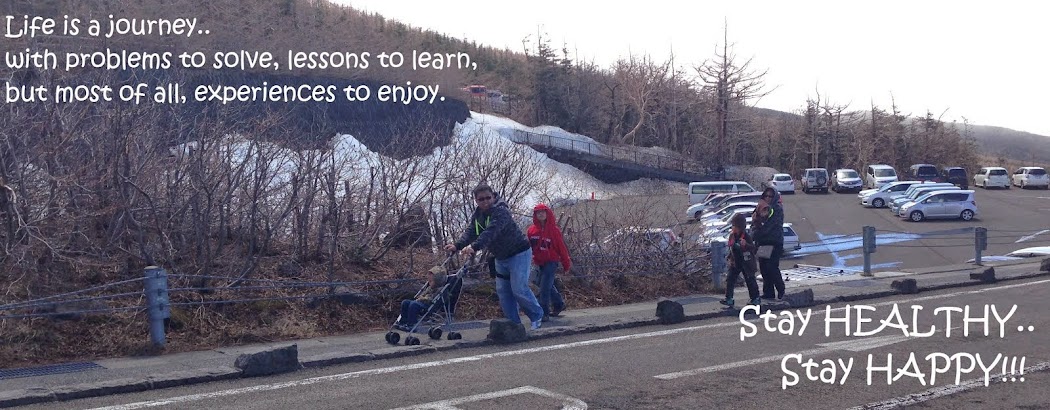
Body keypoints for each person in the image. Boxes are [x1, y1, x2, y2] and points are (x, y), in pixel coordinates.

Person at [445, 184, 544, 330]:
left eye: (488, 198)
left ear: (493, 196)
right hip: (500, 257)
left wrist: (474, 247)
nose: (485, 201)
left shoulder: (501, 211)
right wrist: (458, 245)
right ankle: (513, 323)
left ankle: (537, 315)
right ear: (476, 201)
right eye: (481, 199)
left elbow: (491, 232)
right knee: (503, 291)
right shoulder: (478, 214)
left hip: (518, 253)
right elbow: (472, 231)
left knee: (519, 288)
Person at [527, 203, 570, 321]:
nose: (540, 214)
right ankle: (559, 304)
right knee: (548, 285)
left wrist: (566, 263)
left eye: (543, 212)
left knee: (544, 287)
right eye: (538, 212)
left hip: (551, 261)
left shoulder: (554, 230)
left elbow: (561, 248)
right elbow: (528, 246)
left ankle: (544, 312)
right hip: (538, 261)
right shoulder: (531, 230)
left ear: (547, 213)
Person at [720, 213, 761, 308]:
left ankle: (755, 298)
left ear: (739, 227)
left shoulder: (746, 236)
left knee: (750, 280)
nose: (732, 227)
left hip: (746, 262)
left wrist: (746, 244)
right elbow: (731, 248)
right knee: (730, 279)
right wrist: (729, 257)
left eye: (734, 225)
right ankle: (729, 298)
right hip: (735, 261)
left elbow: (753, 248)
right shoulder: (732, 236)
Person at [752, 186, 786, 299]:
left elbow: (768, 227)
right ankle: (768, 293)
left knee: (772, 267)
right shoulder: (760, 207)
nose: (768, 198)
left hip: (774, 242)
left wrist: (756, 233)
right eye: (766, 196)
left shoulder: (777, 209)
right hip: (763, 242)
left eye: (770, 196)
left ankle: (781, 290)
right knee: (764, 268)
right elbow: (754, 222)